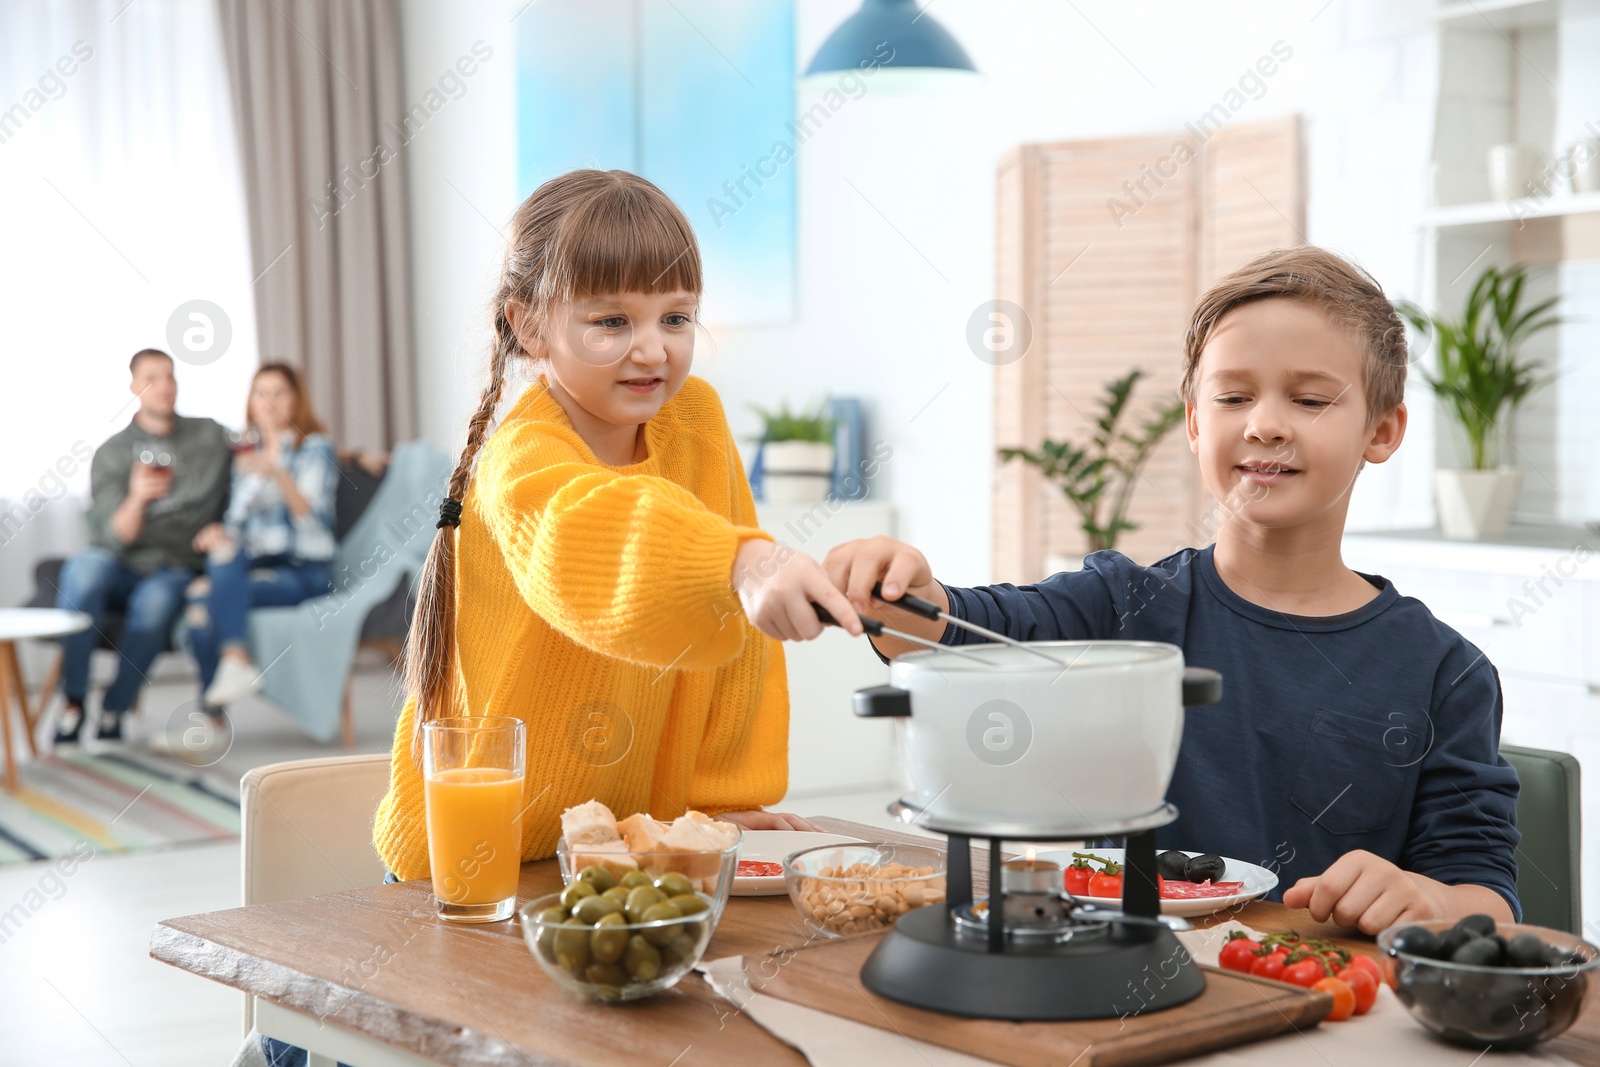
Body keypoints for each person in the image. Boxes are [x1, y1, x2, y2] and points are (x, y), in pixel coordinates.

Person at [823, 246, 1522, 935]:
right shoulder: (1122, 604)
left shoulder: (1444, 671)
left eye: (1309, 399)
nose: (1265, 423)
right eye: (1233, 396)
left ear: (1382, 429)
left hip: (1319, 997)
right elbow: (962, 628)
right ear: (1194, 421)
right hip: (1116, 976)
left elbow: (1481, 889)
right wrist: (899, 593)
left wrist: (1430, 900)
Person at [370, 170, 857, 881]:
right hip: (478, 858)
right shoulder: (521, 457)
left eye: (676, 317)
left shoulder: (697, 422)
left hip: (621, 848)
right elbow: (591, 536)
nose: (653, 349)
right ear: (529, 325)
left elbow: (736, 648)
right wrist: (738, 561)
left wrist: (725, 798)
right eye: (611, 321)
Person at [54, 350, 231, 745]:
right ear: (135, 388)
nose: (164, 386)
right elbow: (117, 536)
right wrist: (136, 497)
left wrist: (349, 456)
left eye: (170, 376)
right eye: (152, 378)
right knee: (83, 571)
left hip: (174, 566)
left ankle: (114, 710)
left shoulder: (210, 435)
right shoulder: (113, 453)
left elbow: (266, 444)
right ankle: (73, 702)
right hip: (119, 561)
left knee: (154, 605)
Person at [187, 363, 339, 714]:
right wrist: (218, 532)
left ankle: (211, 714)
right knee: (198, 597)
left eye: (279, 393)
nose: (268, 402)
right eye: (261, 393)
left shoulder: (315, 447)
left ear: (296, 399)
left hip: (302, 570)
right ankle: (230, 672)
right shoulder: (245, 455)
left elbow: (314, 518)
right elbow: (238, 527)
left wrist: (277, 472)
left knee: (207, 602)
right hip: (256, 566)